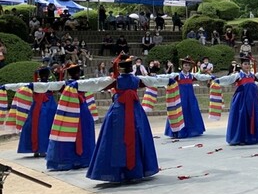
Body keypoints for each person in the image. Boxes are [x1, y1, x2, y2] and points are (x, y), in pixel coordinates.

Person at [86, 54, 165, 183]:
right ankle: (136, 169)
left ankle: (117, 171)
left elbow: (95, 83)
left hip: (119, 111)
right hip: (134, 111)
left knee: (116, 137)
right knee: (137, 134)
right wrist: (170, 81)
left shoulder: (115, 81)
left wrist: (75, 85)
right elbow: (155, 81)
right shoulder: (137, 80)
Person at [46, 62, 97, 171]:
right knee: (85, 132)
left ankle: (67, 159)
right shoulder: (83, 83)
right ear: (79, 72)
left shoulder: (65, 85)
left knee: (66, 132)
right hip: (82, 110)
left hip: (68, 110)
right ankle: (84, 158)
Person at [215, 56, 258, 145]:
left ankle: (252, 137)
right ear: (241, 65)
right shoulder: (238, 75)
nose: (247, 66)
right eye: (245, 64)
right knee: (241, 116)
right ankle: (240, 137)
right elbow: (228, 79)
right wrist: (218, 80)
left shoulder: (253, 75)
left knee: (251, 116)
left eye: (248, 64)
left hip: (252, 101)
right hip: (241, 100)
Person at [16, 66, 60, 157]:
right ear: (48, 75)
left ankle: (35, 149)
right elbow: (60, 85)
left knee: (35, 126)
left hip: (37, 106)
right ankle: (44, 148)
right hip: (49, 105)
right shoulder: (50, 85)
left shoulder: (34, 85)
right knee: (48, 126)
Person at [165, 57, 208, 139]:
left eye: (188, 65)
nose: (187, 67)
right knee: (180, 112)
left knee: (192, 111)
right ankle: (178, 132)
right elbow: (167, 76)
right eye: (185, 65)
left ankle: (193, 130)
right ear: (182, 66)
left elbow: (201, 77)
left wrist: (211, 77)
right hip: (181, 97)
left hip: (190, 98)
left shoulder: (191, 76)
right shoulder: (178, 76)